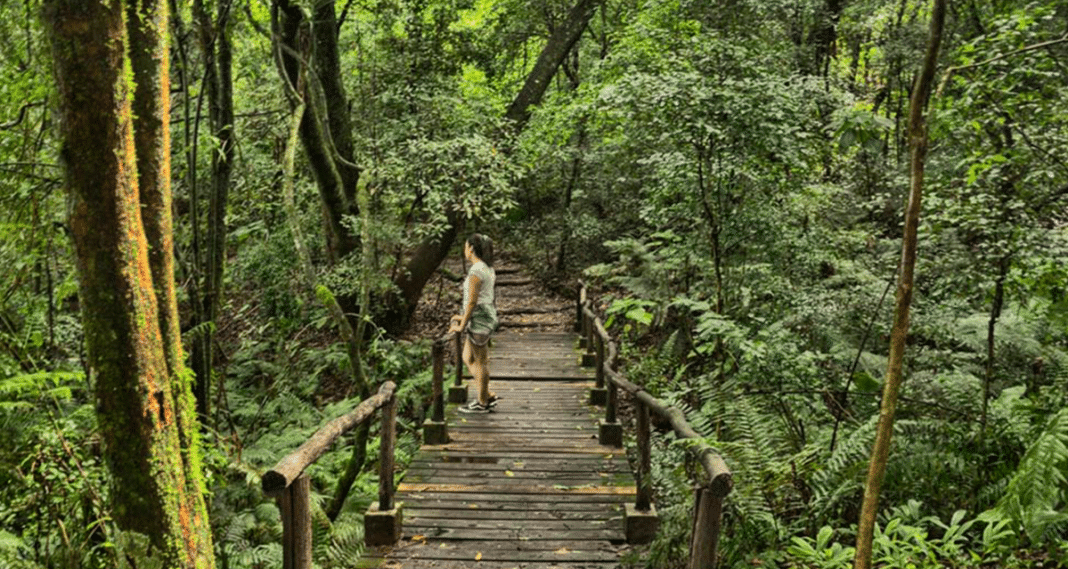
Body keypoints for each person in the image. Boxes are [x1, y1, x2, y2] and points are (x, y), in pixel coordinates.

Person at [449, 234, 499, 413]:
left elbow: (472, 301)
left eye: (465, 246)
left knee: (481, 361)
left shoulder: (476, 271)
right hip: (482, 315)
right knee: (467, 358)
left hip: (480, 318)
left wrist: (462, 325)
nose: (464, 250)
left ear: (471, 248)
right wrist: (463, 318)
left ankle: (482, 402)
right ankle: (486, 393)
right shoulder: (487, 268)